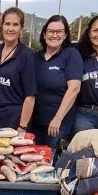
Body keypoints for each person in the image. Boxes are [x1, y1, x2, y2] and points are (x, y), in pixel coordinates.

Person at [0, 7, 37, 131]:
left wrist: (22, 127)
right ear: (2, 27)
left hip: (12, 123)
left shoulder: (26, 55)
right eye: (7, 24)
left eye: (15, 24)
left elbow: (30, 96)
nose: (10, 28)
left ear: (21, 28)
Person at [31, 15, 82, 148]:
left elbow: (74, 89)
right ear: (44, 33)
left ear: (65, 35)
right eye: (51, 31)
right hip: (35, 122)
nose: (54, 35)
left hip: (57, 124)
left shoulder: (71, 55)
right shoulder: (35, 57)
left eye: (59, 31)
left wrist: (57, 119)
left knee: (50, 162)